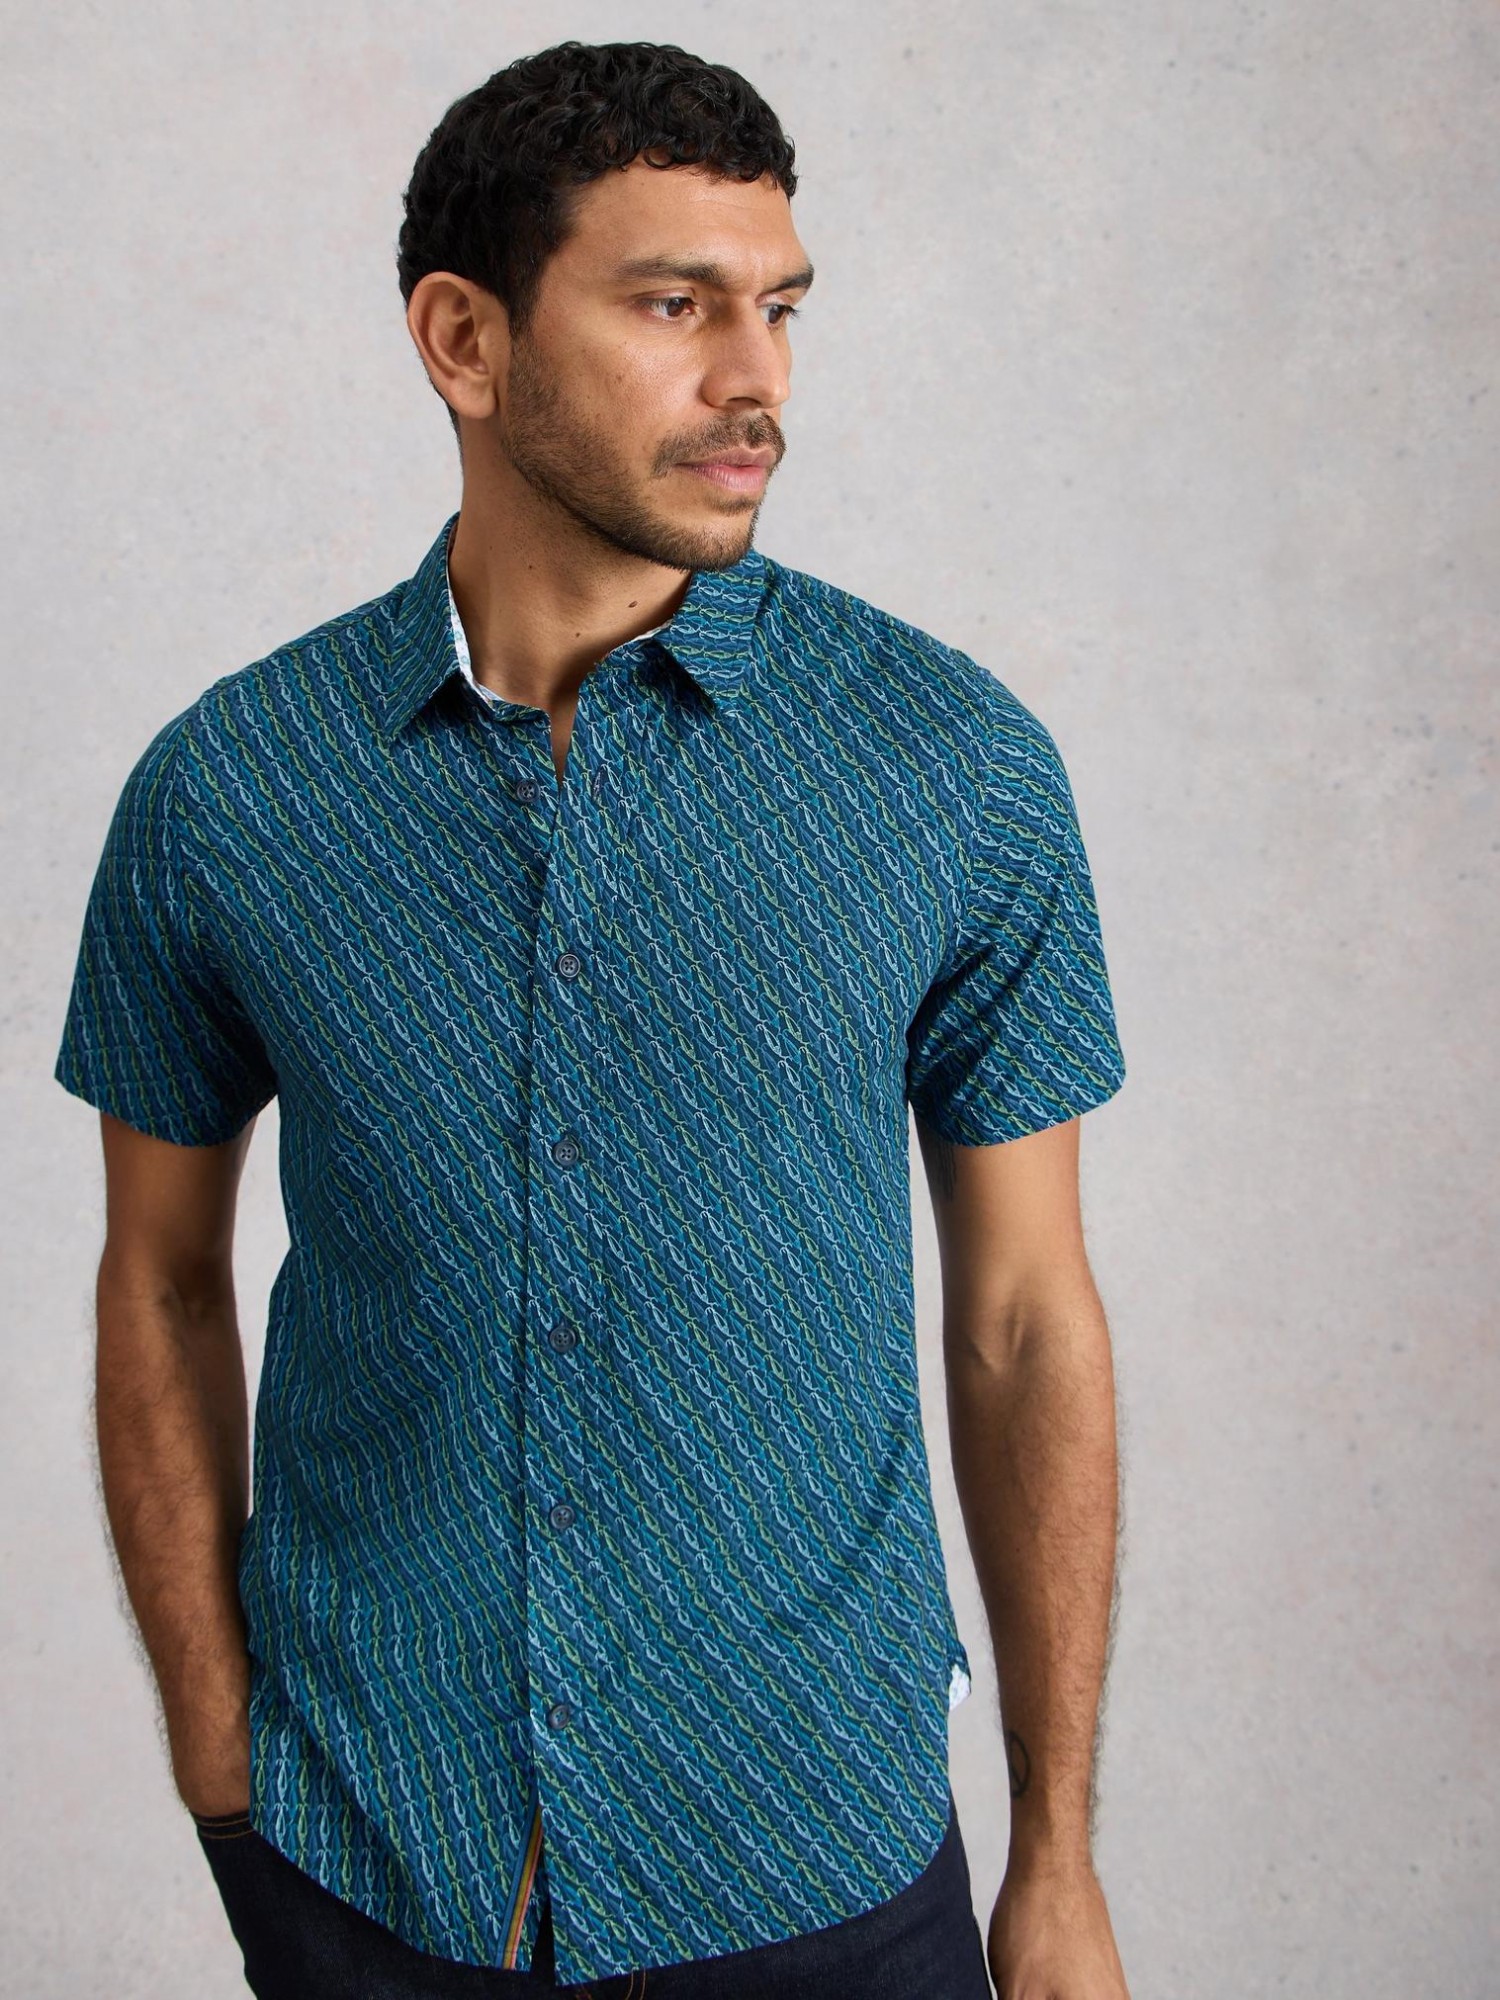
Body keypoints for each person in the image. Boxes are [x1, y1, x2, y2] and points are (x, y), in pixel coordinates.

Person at [53, 37, 1132, 2000]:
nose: (757, 380)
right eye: (674, 305)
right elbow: (161, 1280)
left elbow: (1023, 1318)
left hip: (813, 1844)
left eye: (780, 307)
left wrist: (1055, 1850)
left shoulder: (953, 768)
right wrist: (220, 1757)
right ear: (463, 341)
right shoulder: (233, 789)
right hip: (372, 1854)